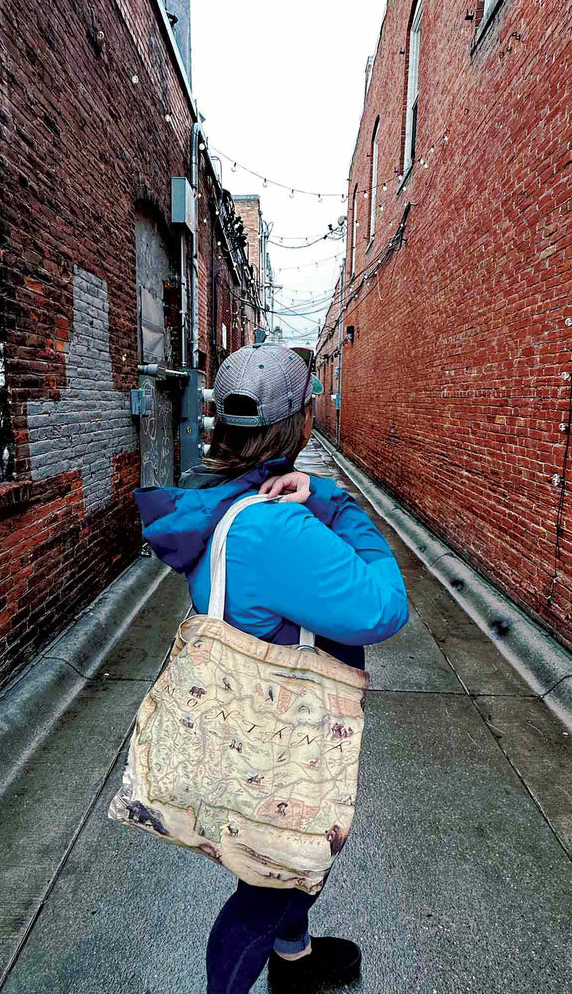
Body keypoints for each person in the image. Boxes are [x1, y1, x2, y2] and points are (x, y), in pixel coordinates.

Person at [135, 343, 408, 994]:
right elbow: (383, 608)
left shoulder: (223, 499)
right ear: (299, 422)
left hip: (235, 718)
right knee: (266, 885)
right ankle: (268, 966)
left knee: (292, 858)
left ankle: (294, 954)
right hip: (269, 735)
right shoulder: (275, 526)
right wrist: (337, 504)